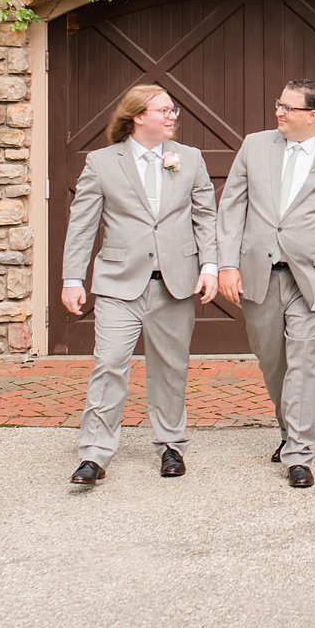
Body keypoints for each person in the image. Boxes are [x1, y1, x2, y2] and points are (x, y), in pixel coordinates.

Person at [61, 84, 218, 485]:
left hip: (175, 282)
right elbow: (82, 224)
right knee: (109, 363)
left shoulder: (191, 159)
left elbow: (206, 218)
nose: (173, 117)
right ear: (138, 116)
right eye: (164, 110)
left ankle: (171, 445)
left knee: (170, 367)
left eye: (173, 111)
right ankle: (94, 454)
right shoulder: (101, 162)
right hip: (118, 282)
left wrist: (211, 266)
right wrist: (72, 278)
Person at [217, 78, 315, 488]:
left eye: (287, 107)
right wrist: (226, 264)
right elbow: (230, 207)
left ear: (311, 116)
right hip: (260, 273)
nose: (278, 112)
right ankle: (287, 430)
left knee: (304, 363)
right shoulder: (254, 146)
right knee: (272, 361)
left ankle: (299, 452)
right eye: (278, 104)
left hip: (314, 279)